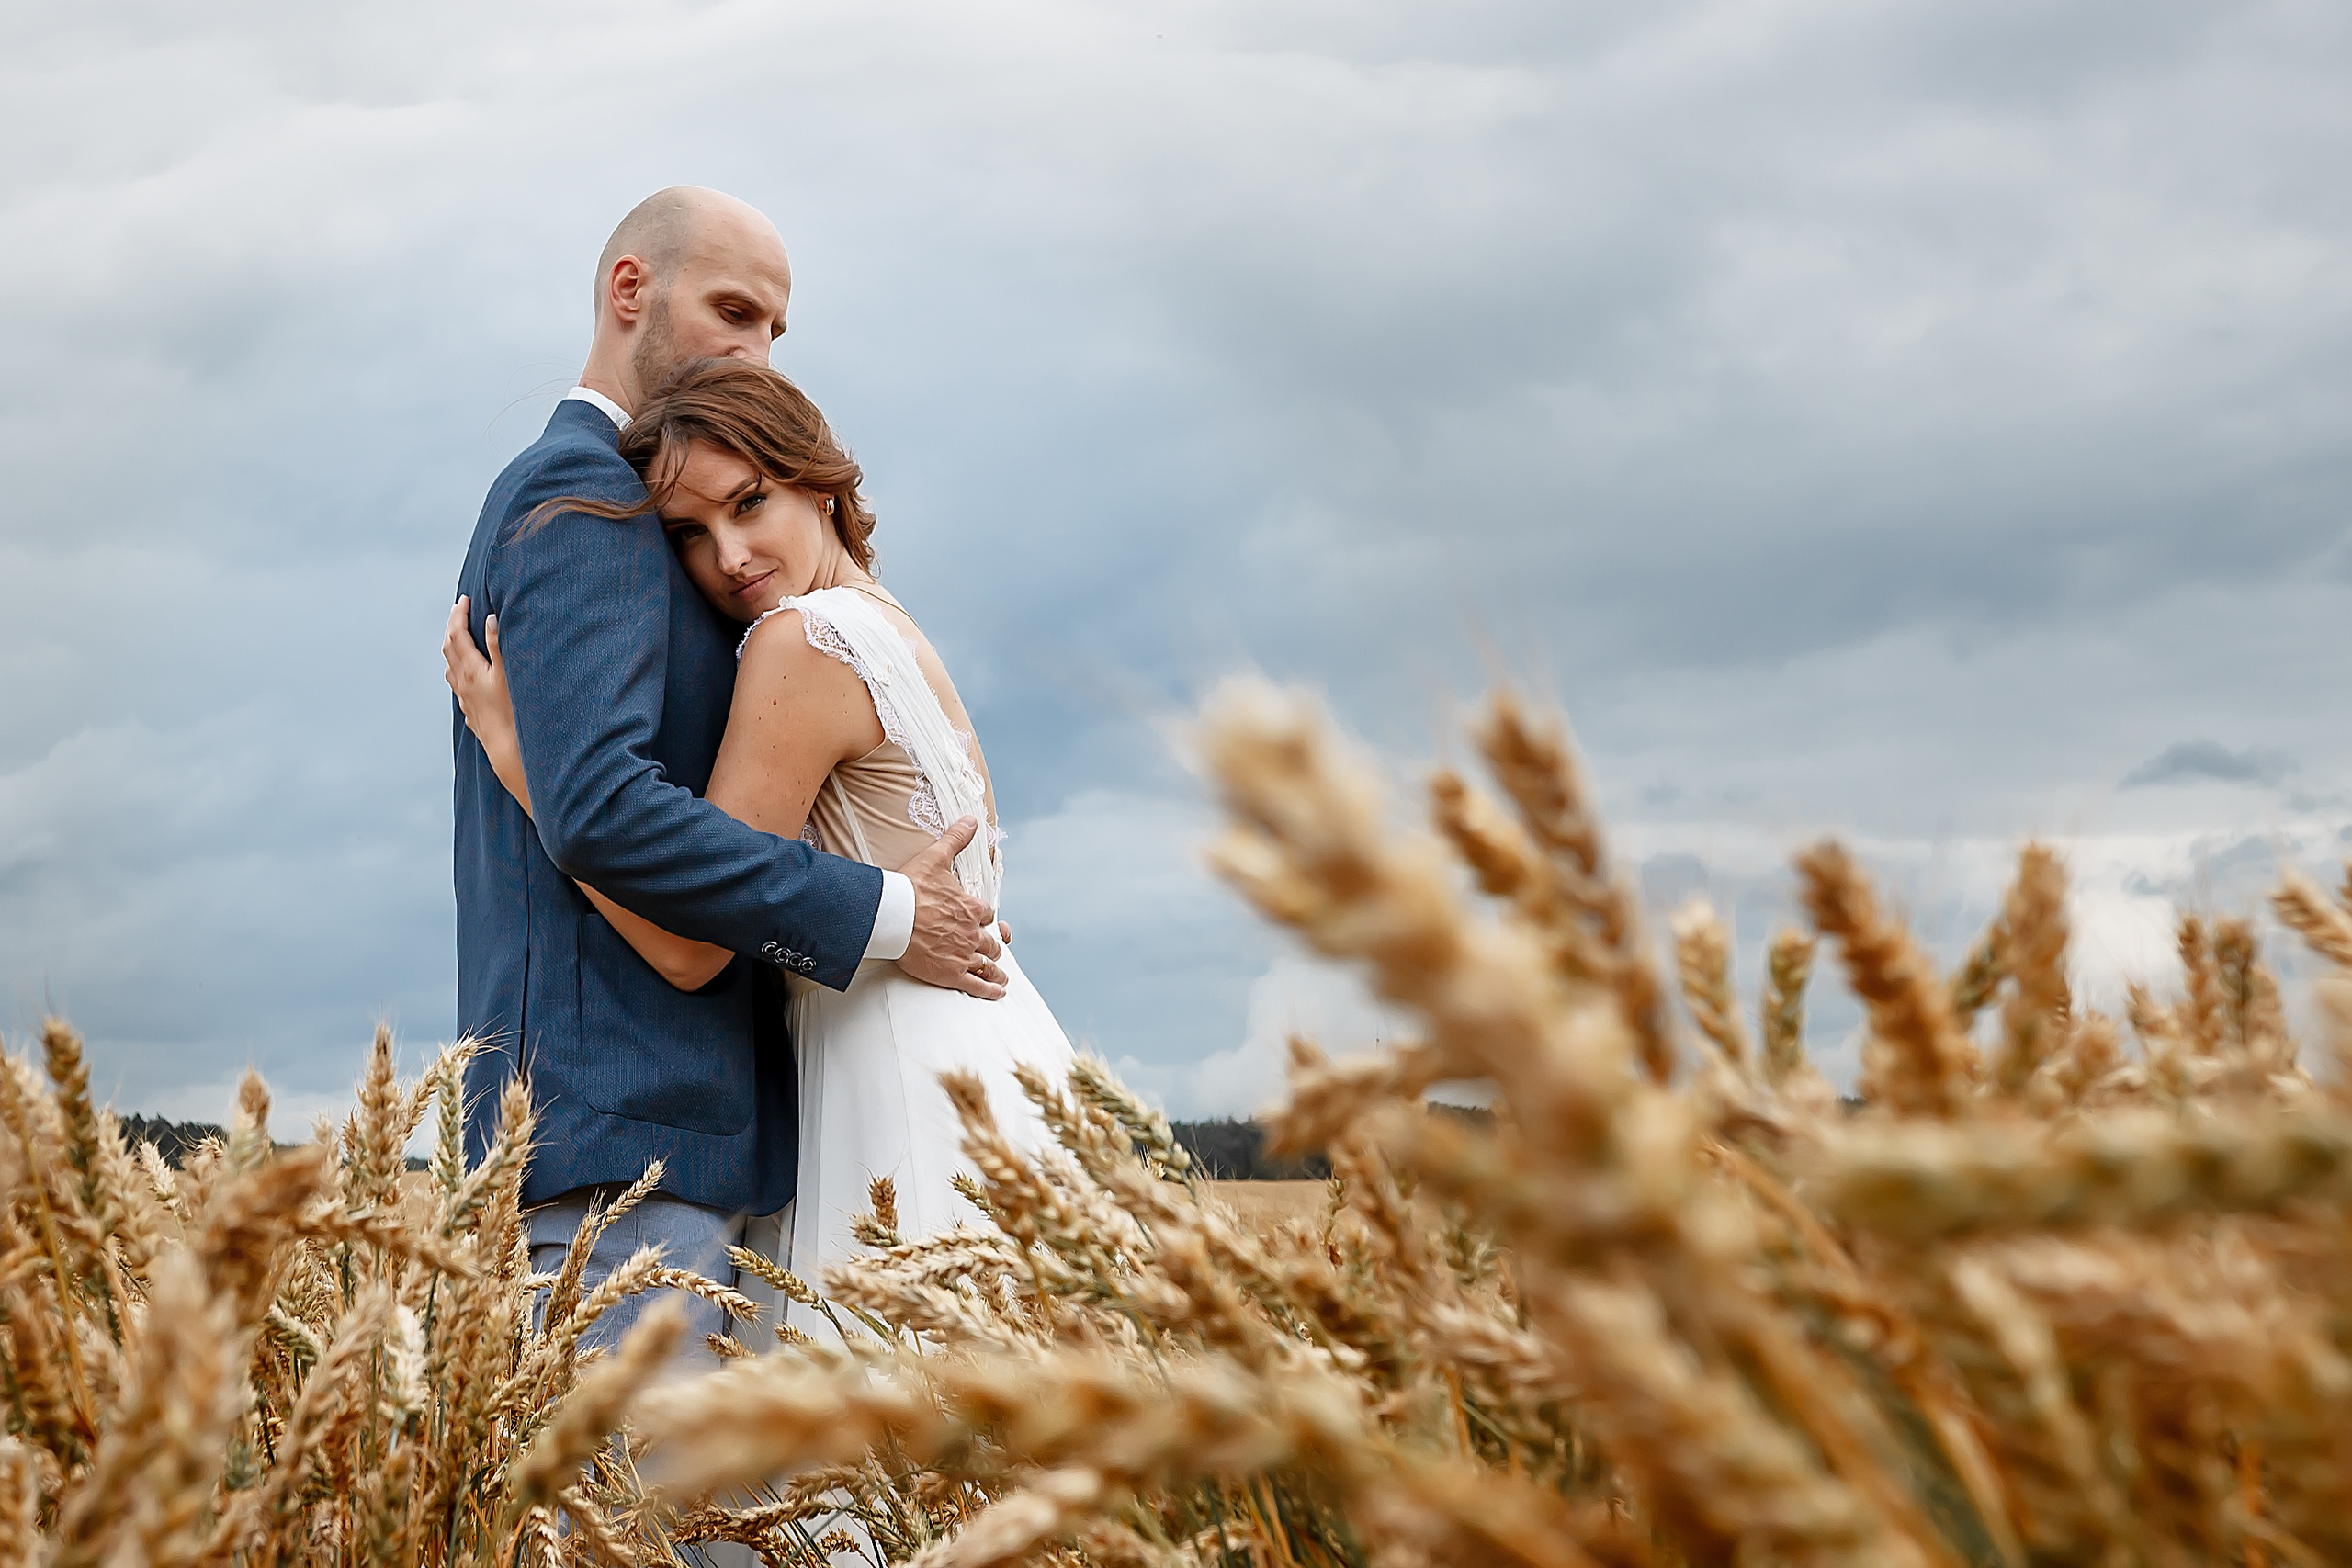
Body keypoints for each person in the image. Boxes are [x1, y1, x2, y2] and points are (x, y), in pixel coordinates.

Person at [448, 189, 1012, 1355]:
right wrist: (888, 912)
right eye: (733, 311)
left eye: (772, 332)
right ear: (628, 290)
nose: (756, 353)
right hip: (626, 1148)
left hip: (760, 1149)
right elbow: (603, 807)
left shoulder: (772, 600)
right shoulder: (590, 494)